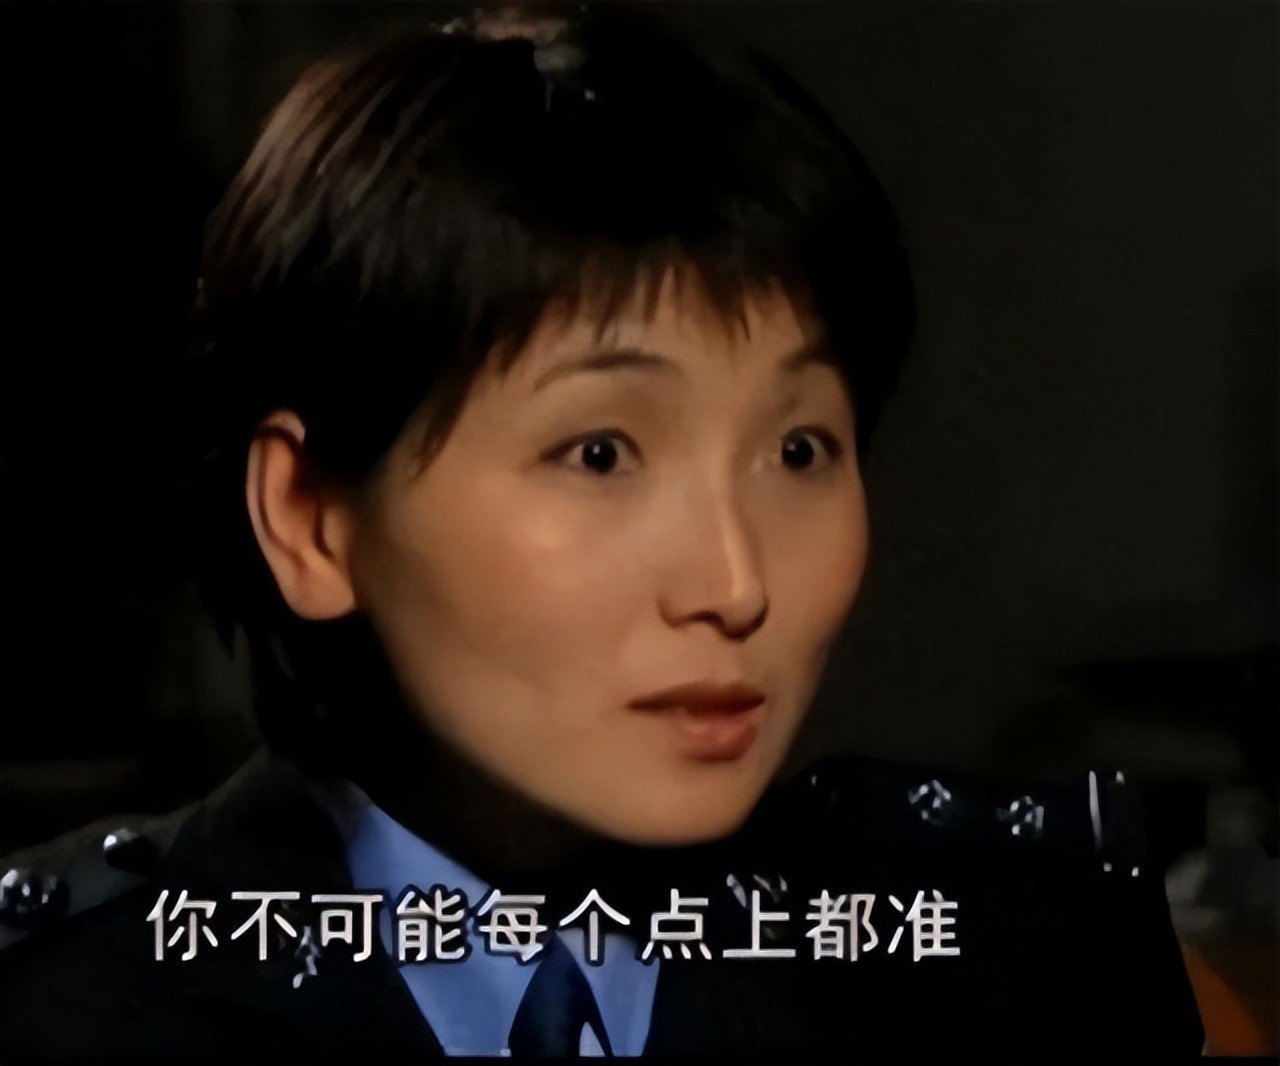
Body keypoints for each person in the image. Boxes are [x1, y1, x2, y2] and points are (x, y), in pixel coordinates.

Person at [0, 5, 1202, 1058]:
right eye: (599, 453)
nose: (735, 582)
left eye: (797, 450)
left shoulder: (1017, 966)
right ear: (311, 520)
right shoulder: (64, 1007)